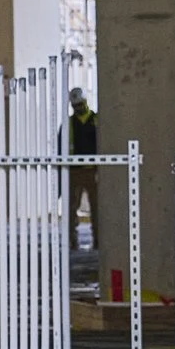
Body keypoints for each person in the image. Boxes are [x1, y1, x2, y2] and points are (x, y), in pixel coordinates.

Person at [65, 88, 99, 240]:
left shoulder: (96, 120)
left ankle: (98, 240)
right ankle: (71, 241)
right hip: (75, 171)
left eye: (80, 104)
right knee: (72, 208)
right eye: (75, 105)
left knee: (97, 208)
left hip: (93, 171)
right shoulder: (69, 124)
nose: (78, 108)